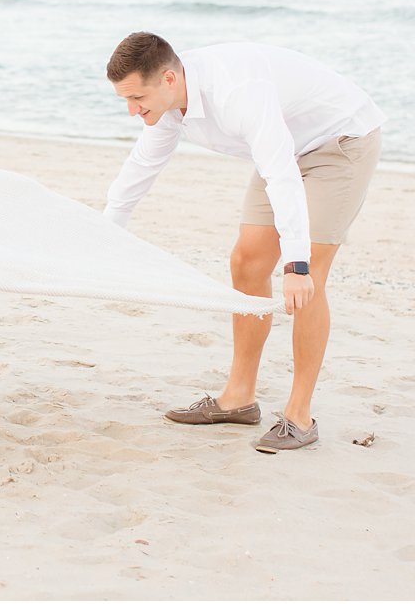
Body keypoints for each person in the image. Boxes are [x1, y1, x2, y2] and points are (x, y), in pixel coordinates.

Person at [102, 33, 383, 453]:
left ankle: (299, 415)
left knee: (309, 280)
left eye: (137, 97)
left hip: (339, 143)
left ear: (169, 79)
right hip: (283, 150)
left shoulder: (237, 92)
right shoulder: (166, 105)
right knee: (246, 262)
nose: (131, 110)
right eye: (124, 99)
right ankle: (238, 399)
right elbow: (142, 166)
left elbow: (281, 176)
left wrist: (296, 266)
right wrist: (105, 235)